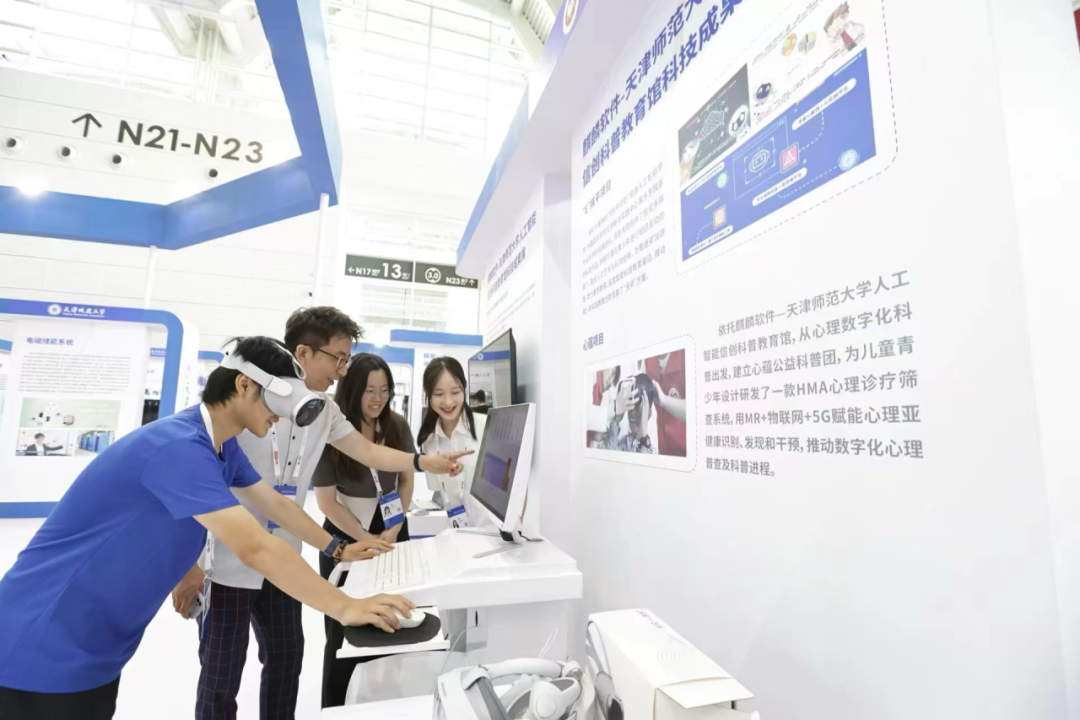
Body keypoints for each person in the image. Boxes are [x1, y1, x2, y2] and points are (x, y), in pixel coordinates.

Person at [0, 336, 415, 720]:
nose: (281, 415)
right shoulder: (178, 447)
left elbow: (274, 504)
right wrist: (345, 607)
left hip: (98, 646)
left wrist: (337, 548)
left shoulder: (219, 446)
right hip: (43, 639)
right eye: (278, 400)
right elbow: (255, 547)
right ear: (244, 384)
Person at [172, 310, 469, 720]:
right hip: (225, 564)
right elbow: (193, 490)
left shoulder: (325, 412)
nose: (342, 370)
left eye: (347, 360)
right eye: (338, 358)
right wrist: (187, 566)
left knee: (286, 661)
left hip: (284, 560)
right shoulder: (244, 406)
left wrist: (420, 463)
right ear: (303, 353)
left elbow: (366, 452)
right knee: (221, 676)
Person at [312, 353, 417, 707]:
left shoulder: (397, 426)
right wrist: (365, 539)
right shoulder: (330, 430)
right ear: (353, 389)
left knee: (392, 623)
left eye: (385, 390)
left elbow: (406, 480)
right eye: (370, 390)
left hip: (392, 532)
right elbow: (327, 504)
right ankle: (336, 706)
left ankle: (385, 704)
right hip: (345, 537)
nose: (378, 399)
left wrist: (396, 525)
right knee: (343, 632)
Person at [418, 357, 486, 513]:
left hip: (489, 527)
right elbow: (438, 491)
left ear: (464, 390)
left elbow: (514, 486)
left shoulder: (486, 427)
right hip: (454, 526)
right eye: (439, 394)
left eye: (455, 392)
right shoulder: (428, 441)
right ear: (429, 396)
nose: (448, 402)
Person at [644, 350, 687, 457]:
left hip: (686, 450)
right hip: (663, 447)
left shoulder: (684, 355)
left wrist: (664, 400)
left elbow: (698, 410)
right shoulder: (649, 360)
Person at [604, 374, 657, 454]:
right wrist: (616, 420)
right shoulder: (624, 442)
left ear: (648, 415)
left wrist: (642, 437)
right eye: (630, 406)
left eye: (637, 408)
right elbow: (608, 457)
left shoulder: (651, 453)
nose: (632, 414)